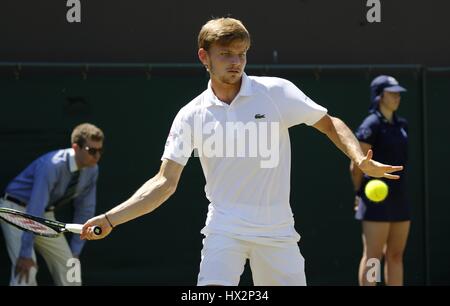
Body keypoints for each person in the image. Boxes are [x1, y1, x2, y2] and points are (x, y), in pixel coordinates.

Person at [81, 18, 402, 286]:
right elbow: (165, 182)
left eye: (241, 54)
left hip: (278, 231)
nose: (236, 62)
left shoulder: (276, 92)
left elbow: (329, 123)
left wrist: (358, 158)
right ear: (204, 57)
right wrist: (111, 219)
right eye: (226, 54)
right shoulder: (191, 115)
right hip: (224, 230)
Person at [0, 123, 104, 286]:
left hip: (44, 213)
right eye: (92, 151)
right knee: (27, 269)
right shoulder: (51, 165)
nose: (97, 156)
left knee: (71, 267)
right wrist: (25, 253)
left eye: (100, 151)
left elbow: (85, 210)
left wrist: (75, 251)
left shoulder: (92, 170)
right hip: (17, 210)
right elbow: (35, 206)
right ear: (76, 147)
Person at [350, 75, 410, 286]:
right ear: (379, 96)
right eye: (391, 93)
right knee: (373, 256)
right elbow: (357, 165)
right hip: (374, 199)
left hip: (399, 197)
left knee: (395, 255)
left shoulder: (401, 125)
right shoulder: (371, 124)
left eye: (398, 93)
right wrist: (359, 194)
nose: (397, 97)